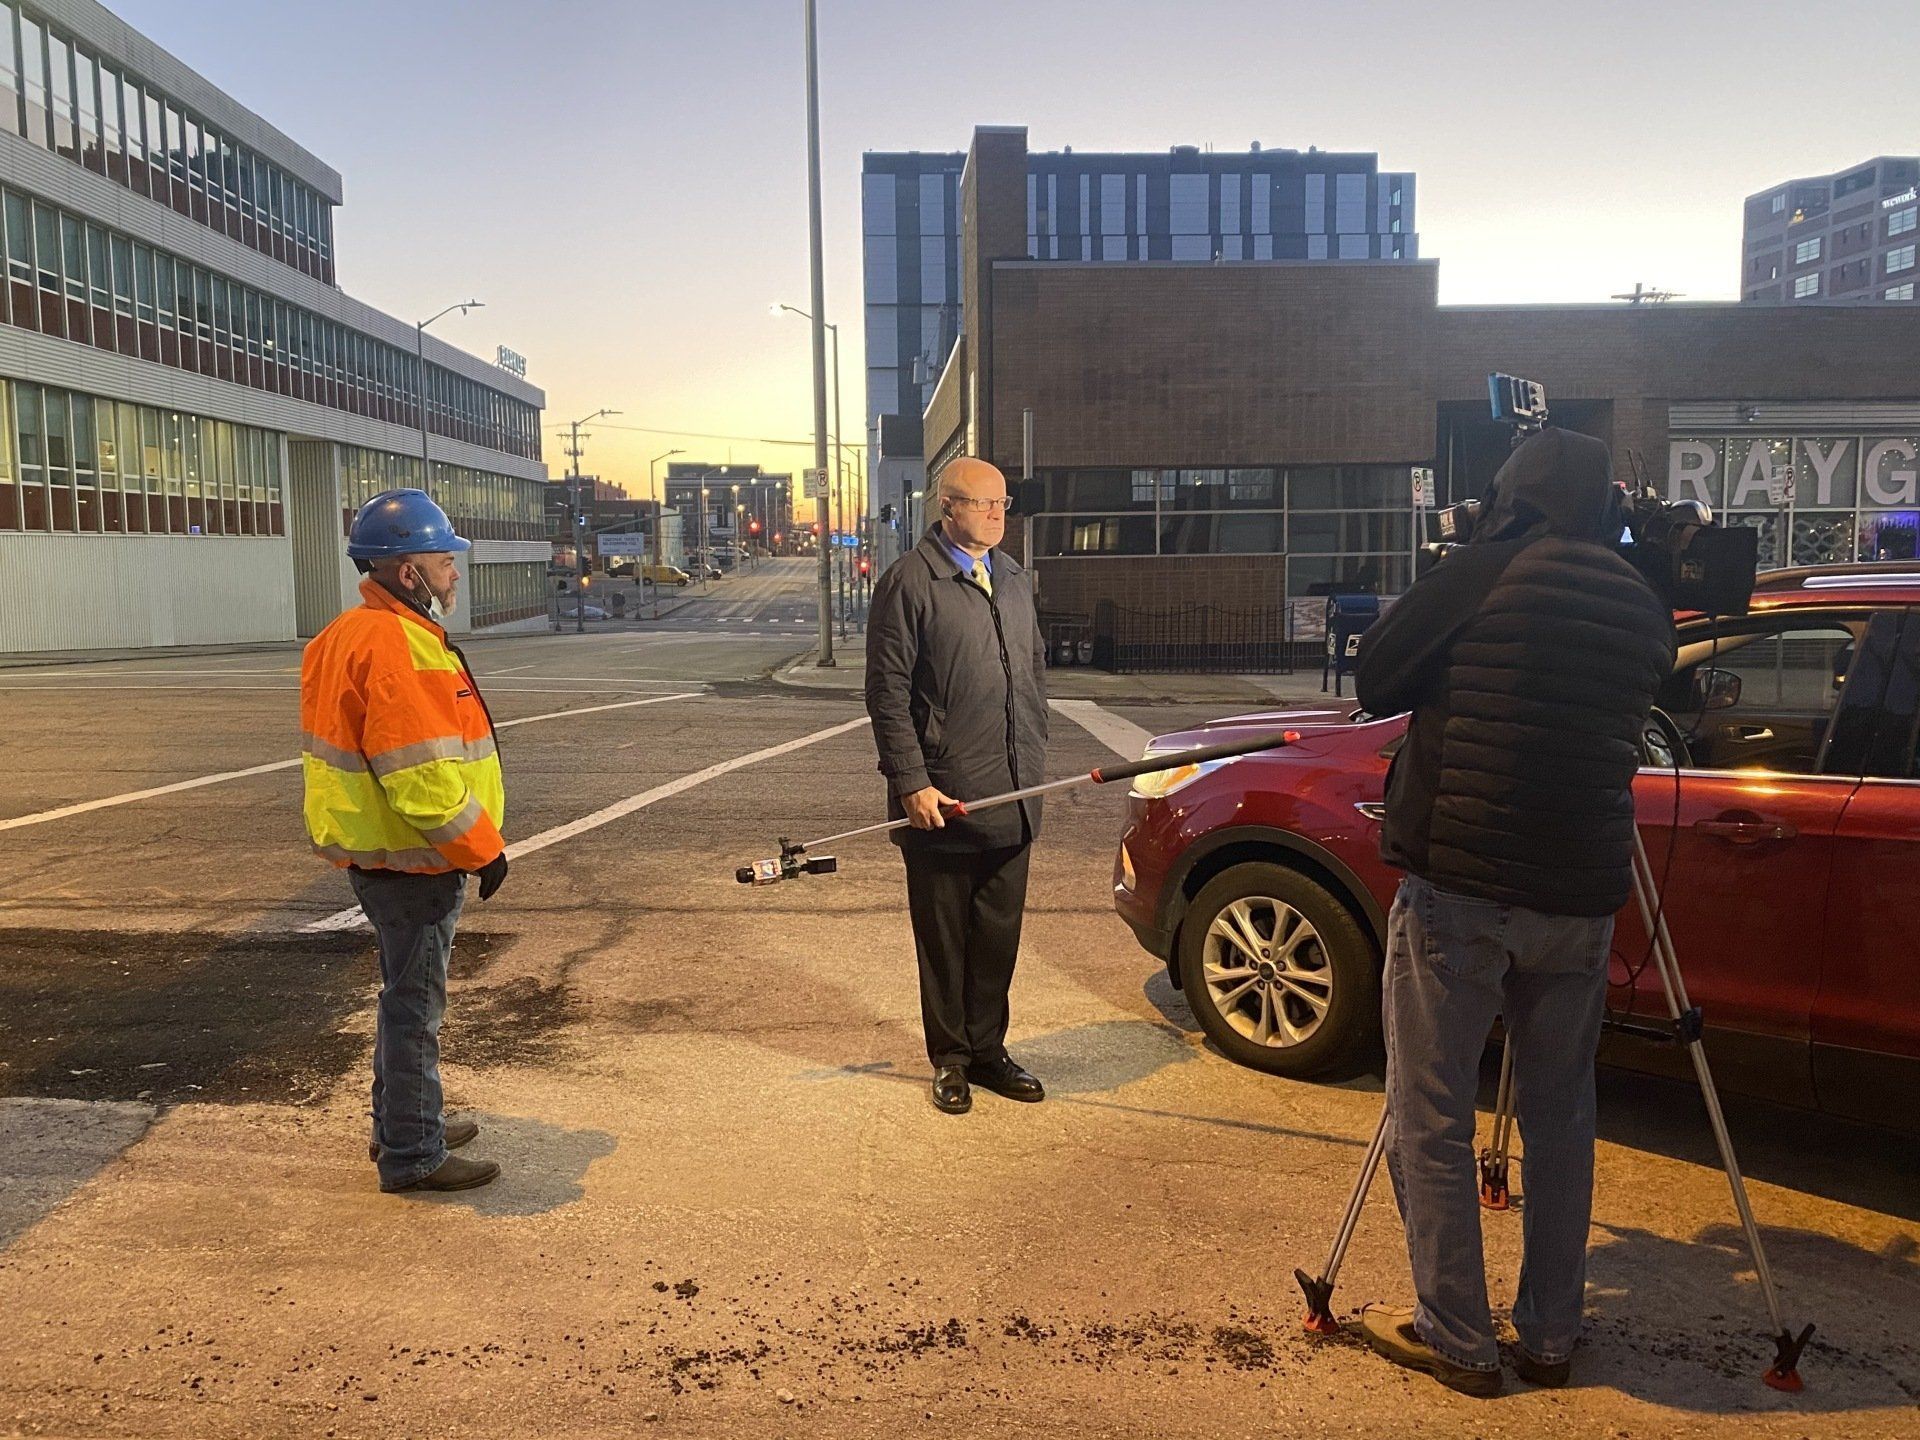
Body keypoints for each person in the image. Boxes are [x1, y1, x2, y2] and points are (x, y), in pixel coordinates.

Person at [1352, 429, 1675, 1396]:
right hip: (1578, 896)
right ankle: (1549, 1335)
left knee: (1434, 1110)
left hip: (1463, 884)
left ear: (1513, 496)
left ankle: (1457, 1336)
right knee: (1562, 1114)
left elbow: (1375, 678)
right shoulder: (1640, 599)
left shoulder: (1485, 571)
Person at [301, 489, 511, 1193]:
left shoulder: (344, 633)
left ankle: (404, 1122)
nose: (454, 569)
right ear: (406, 571)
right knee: (414, 1008)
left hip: (379, 853)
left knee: (403, 998)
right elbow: (419, 777)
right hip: (414, 859)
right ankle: (413, 1153)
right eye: (442, 558)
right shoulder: (396, 645)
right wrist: (482, 847)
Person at [865, 457, 1051, 1114]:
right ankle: (950, 1058)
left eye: (1004, 504)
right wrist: (912, 782)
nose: (999, 516)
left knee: (997, 936)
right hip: (942, 800)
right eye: (984, 504)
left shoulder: (1015, 579)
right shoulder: (910, 583)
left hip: (1014, 791)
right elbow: (886, 695)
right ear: (947, 507)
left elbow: (1031, 675)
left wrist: (1036, 755)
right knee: (944, 939)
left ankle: (989, 1049)